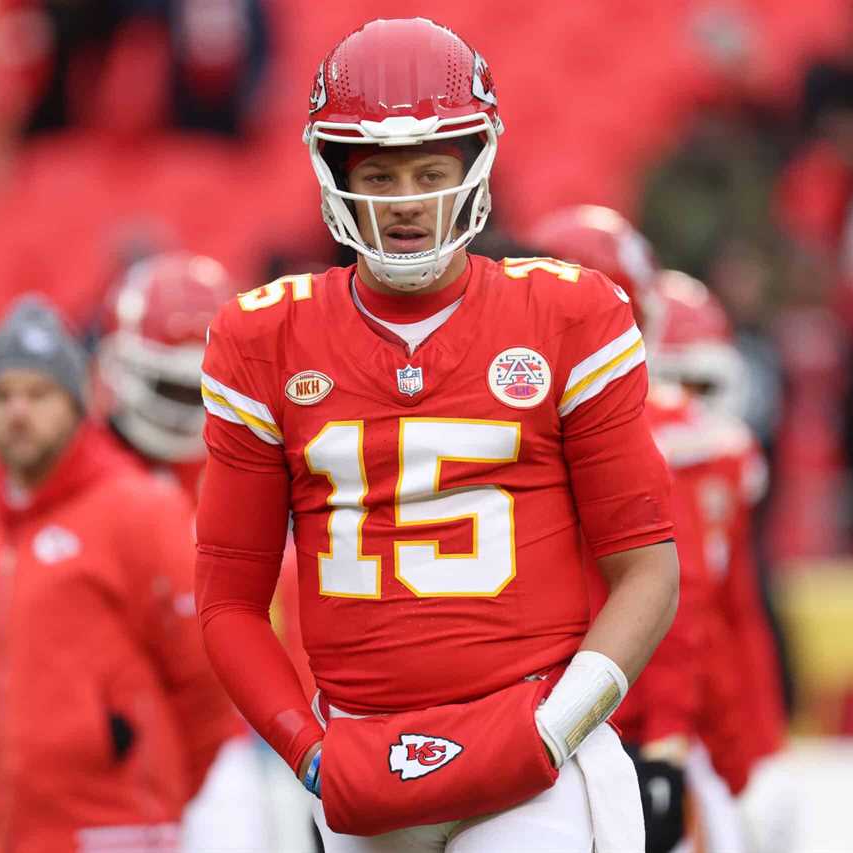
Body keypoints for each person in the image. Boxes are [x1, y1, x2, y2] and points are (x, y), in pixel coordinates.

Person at [194, 18, 680, 852]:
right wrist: (308, 753)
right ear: (335, 175)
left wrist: (554, 729)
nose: (407, 199)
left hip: (533, 744)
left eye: (429, 170)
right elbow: (229, 602)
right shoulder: (262, 337)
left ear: (473, 171)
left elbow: (647, 568)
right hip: (362, 754)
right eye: (379, 173)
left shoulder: (567, 314)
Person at [530, 206, 790, 853]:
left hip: (606, 725)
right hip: (546, 725)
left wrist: (691, 744)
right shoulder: (505, 424)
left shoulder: (669, 438)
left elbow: (690, 606)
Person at [0, 296, 229, 853]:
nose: (18, 411)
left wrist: (155, 791)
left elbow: (205, 681)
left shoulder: (139, 511)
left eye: (39, 394)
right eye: (0, 395)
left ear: (76, 402)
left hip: (116, 830)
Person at [97, 251, 308, 850]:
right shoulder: (91, 482)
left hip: (253, 740)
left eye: (197, 385)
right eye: (168, 383)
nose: (182, 405)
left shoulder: (266, 458)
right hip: (130, 740)